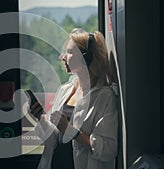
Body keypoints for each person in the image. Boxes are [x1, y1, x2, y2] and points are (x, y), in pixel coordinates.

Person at [30, 28, 118, 169]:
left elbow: (108, 150)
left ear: (86, 58)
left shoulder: (104, 97)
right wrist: (40, 117)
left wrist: (71, 131)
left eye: (69, 52)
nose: (62, 57)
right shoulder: (65, 90)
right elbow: (53, 137)